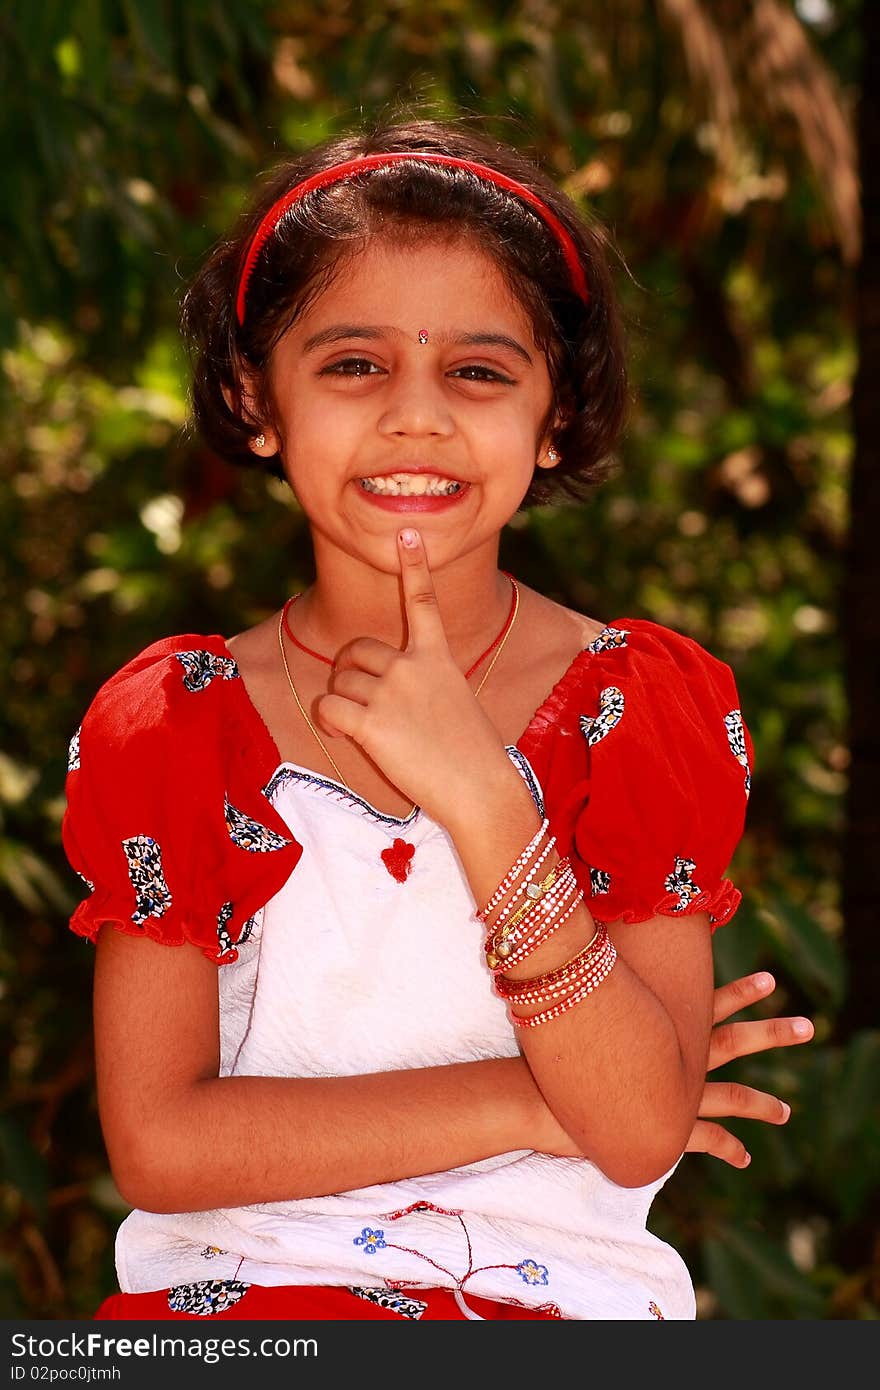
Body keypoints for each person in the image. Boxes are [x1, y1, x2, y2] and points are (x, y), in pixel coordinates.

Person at [62, 118, 814, 1323]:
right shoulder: (176, 726)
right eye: (353, 364)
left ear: (554, 412)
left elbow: (628, 1134)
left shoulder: (635, 710)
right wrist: (533, 1096)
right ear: (256, 398)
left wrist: (480, 791)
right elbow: (162, 1145)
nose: (418, 418)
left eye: (478, 370)